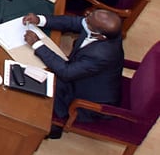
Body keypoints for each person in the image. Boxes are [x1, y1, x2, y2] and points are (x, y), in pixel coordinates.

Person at [22, 9, 123, 138]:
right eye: (89, 16)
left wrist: (37, 45)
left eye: (88, 21)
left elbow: (66, 72)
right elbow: (73, 22)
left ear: (99, 36)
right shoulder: (101, 29)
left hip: (86, 100)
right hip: (82, 75)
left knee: (37, 79)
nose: (85, 17)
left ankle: (53, 127)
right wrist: (40, 20)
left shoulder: (102, 54)